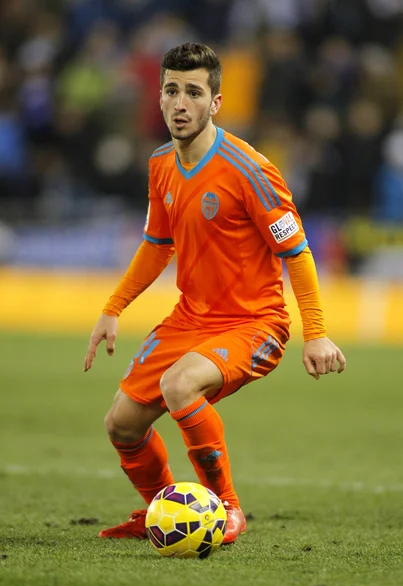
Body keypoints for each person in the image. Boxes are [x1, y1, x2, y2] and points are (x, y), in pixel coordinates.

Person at [84, 43, 346, 545]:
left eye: (193, 92)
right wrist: (112, 308)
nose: (180, 103)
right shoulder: (161, 164)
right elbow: (157, 246)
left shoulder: (250, 169)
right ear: (159, 98)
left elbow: (299, 252)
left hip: (254, 323)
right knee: (121, 424)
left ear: (216, 102)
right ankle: (163, 512)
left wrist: (316, 334)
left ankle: (227, 508)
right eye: (171, 91)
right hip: (190, 319)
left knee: (180, 387)